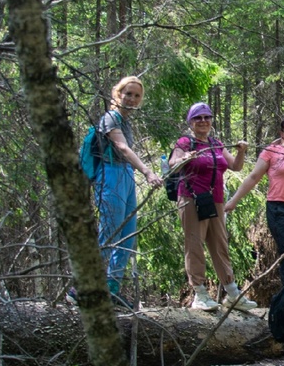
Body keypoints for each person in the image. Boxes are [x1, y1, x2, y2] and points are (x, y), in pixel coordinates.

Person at [168, 102, 256, 311]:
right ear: (190, 122)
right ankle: (199, 293)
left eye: (207, 117)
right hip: (191, 199)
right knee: (194, 244)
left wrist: (242, 151)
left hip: (215, 200)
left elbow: (235, 166)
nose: (203, 121)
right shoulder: (185, 142)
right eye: (198, 118)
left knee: (219, 244)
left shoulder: (216, 143)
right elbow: (173, 163)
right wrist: (185, 157)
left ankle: (233, 293)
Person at [225, 115, 284, 285]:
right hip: (280, 209)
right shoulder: (271, 152)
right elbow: (254, 177)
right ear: (282, 133)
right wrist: (233, 201)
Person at [93, 75, 163, 305]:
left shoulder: (126, 121)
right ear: (118, 94)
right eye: (128, 94)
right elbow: (122, 148)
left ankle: (111, 288)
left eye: (136, 96)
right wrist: (147, 171)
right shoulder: (110, 118)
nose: (132, 99)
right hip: (110, 174)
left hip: (125, 175)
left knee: (127, 234)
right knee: (110, 232)